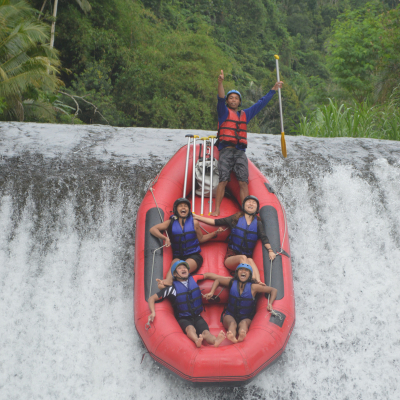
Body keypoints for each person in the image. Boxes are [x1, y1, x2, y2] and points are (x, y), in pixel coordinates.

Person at [211, 69, 283, 216]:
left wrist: (273, 90)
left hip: (239, 152)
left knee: (243, 181)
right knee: (223, 180)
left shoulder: (245, 114)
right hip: (225, 150)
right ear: (227, 101)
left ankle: (247, 211)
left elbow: (260, 104)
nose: (233, 100)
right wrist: (220, 83)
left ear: (239, 102)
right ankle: (216, 209)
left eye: (236, 98)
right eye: (230, 98)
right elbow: (220, 98)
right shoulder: (223, 112)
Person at [194, 195, 276, 283]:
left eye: (254, 203)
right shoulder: (236, 218)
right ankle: (250, 280)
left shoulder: (258, 224)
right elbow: (216, 222)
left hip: (246, 259)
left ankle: (258, 282)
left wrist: (270, 250)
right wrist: (198, 217)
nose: (251, 204)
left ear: (257, 209)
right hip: (231, 258)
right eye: (249, 202)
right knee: (243, 257)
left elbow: (264, 237)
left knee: (250, 260)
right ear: (244, 205)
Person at [148, 260, 226, 348]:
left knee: (206, 332)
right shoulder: (171, 289)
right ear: (175, 274)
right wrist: (153, 312)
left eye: (185, 267)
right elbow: (152, 298)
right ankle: (197, 340)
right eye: (179, 268)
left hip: (197, 316)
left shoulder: (194, 279)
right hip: (183, 318)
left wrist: (223, 278)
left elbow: (207, 275)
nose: (183, 269)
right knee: (190, 329)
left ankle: (215, 341)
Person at [150, 198, 223, 288]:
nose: (183, 208)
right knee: (175, 262)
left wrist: (214, 233)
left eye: (186, 206)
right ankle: (168, 282)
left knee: (181, 266)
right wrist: (165, 238)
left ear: (188, 209)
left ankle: (174, 285)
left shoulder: (194, 222)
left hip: (194, 256)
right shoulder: (171, 222)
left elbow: (201, 239)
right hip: (178, 255)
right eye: (181, 206)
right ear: (176, 209)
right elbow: (153, 229)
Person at [204, 263, 277, 343]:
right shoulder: (232, 282)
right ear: (237, 273)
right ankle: (232, 336)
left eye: (246, 270)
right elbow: (218, 280)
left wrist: (270, 303)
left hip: (246, 317)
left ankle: (241, 335)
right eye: (241, 270)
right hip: (230, 314)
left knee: (244, 323)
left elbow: (273, 290)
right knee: (232, 323)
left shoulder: (254, 287)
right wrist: (212, 292)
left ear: (249, 275)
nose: (243, 272)